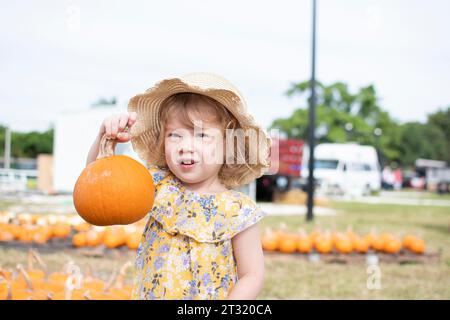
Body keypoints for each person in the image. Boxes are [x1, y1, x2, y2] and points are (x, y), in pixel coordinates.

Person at [85, 73, 271, 300]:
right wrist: (104, 138)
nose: (185, 146)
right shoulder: (157, 185)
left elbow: (252, 275)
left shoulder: (238, 210)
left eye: (201, 135)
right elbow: (97, 183)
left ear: (229, 145)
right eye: (175, 135)